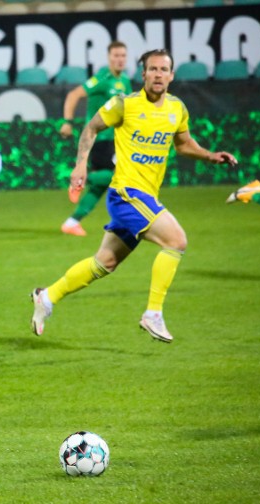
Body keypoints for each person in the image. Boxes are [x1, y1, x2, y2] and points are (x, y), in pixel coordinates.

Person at [31, 49, 238, 343]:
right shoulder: (124, 104)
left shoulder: (176, 108)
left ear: (171, 75)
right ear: (143, 74)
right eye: (152, 69)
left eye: (163, 69)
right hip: (127, 193)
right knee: (176, 240)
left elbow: (183, 144)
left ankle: (48, 297)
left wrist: (211, 156)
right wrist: (80, 164)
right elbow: (91, 128)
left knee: (104, 263)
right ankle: (153, 313)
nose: (158, 74)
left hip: (144, 196)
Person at [59, 41, 132, 237]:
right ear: (109, 58)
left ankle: (72, 222)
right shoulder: (102, 78)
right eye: (116, 55)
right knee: (118, 178)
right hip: (100, 139)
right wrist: (67, 121)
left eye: (123, 55)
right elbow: (74, 95)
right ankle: (78, 179)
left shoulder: (125, 80)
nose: (119, 59)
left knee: (100, 187)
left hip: (116, 139)